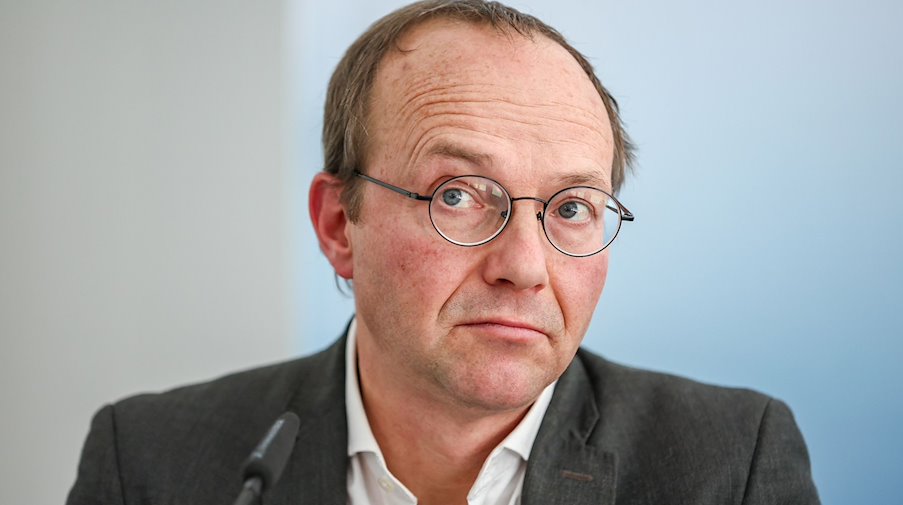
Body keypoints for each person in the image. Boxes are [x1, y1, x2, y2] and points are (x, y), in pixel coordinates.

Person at [67, 1, 821, 504]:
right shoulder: (150, 461)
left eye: (571, 208)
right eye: (458, 194)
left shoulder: (729, 464)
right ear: (338, 224)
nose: (524, 266)